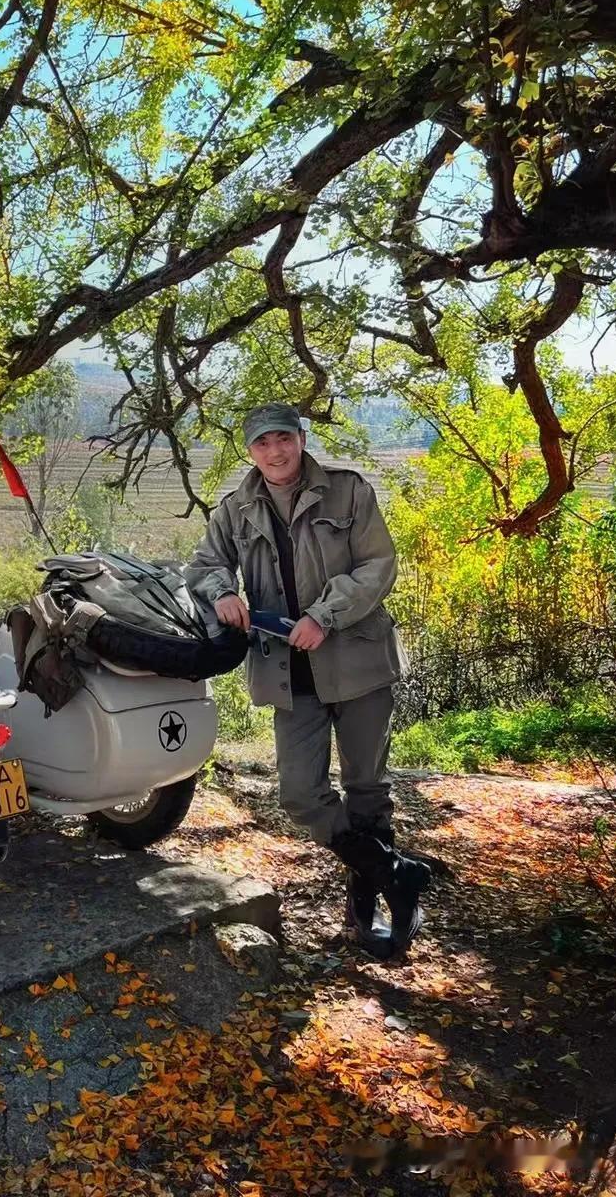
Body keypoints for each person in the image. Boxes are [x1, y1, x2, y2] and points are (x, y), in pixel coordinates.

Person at [186, 401, 431, 956]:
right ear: (250, 451)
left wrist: (324, 616)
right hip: (286, 670)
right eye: (262, 443)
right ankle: (397, 873)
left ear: (300, 438)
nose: (274, 451)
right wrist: (223, 591)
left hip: (359, 662)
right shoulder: (235, 508)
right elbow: (203, 565)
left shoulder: (348, 491)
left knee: (367, 789)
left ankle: (367, 914)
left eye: (283, 438)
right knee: (300, 793)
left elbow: (377, 566)